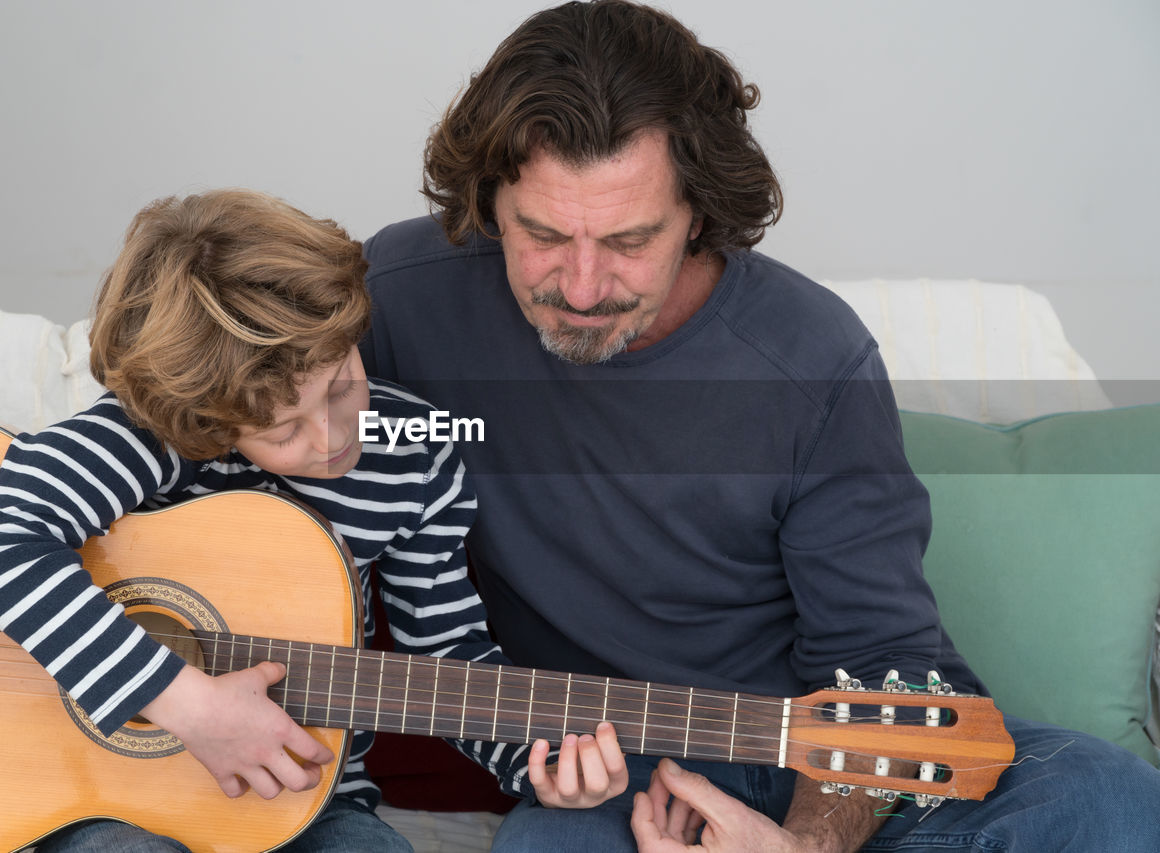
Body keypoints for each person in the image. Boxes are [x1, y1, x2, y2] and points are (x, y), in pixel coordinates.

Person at [358, 2, 1160, 851]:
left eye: (630, 240)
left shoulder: (812, 357)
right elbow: (224, 420)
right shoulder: (404, 300)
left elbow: (886, 667)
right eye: (544, 235)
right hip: (618, 767)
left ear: (699, 212)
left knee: (1110, 797)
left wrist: (803, 845)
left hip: (836, 758)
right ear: (491, 202)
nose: (583, 287)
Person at [0, 188, 626, 853]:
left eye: (341, 386)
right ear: (210, 420)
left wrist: (537, 766)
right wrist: (189, 704)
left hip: (310, 801)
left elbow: (447, 653)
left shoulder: (412, 459)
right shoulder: (159, 428)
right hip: (112, 802)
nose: (332, 435)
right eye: (282, 429)